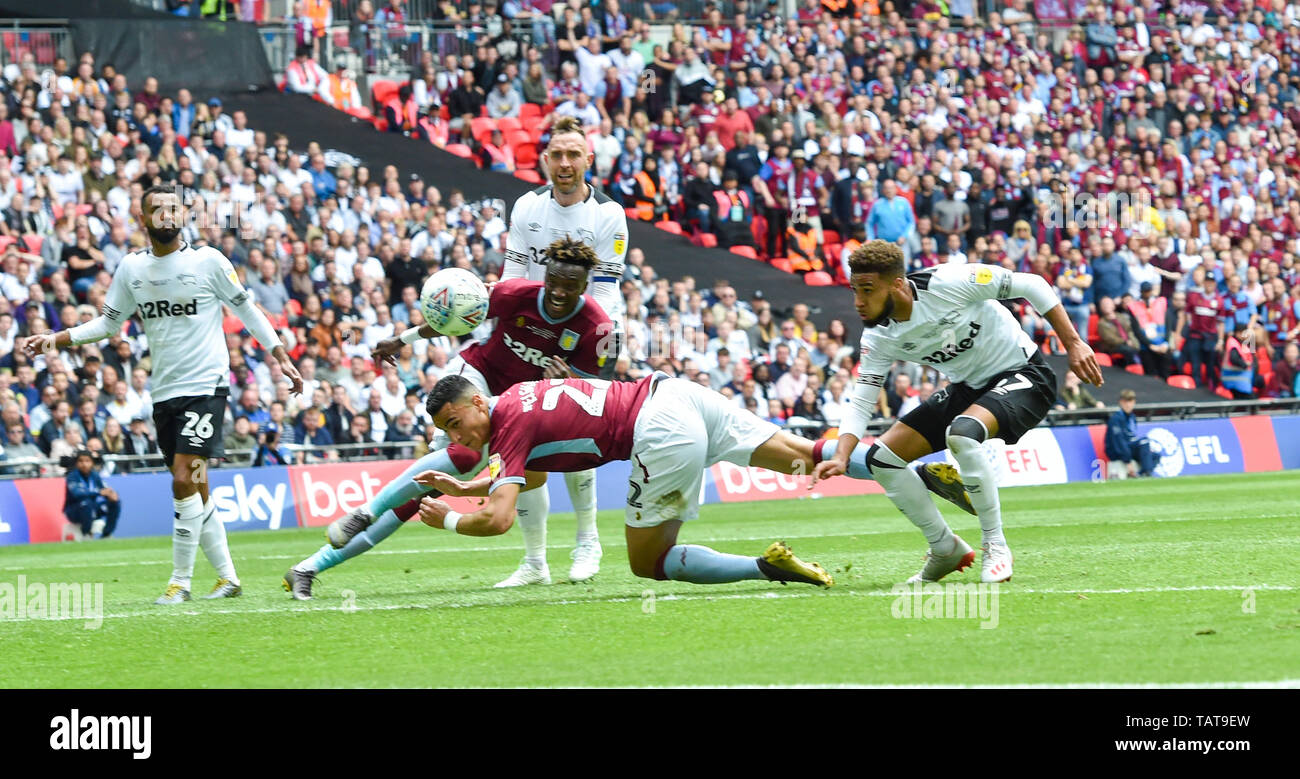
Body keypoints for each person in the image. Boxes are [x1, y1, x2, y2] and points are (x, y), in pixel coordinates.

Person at [412, 370, 969, 588]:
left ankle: (766, 568)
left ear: (477, 403)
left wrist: (451, 520)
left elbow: (501, 519)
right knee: (804, 455)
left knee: (647, 562)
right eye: (446, 432)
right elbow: (530, 476)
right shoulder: (516, 399)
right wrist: (468, 487)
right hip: (676, 393)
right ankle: (917, 471)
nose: (457, 437)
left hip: (657, 432)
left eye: (456, 423)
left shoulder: (507, 425)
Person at [285, 237, 615, 598]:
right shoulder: (515, 293)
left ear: (585, 286)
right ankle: (360, 518)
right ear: (545, 276)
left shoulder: (597, 327)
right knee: (462, 459)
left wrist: (569, 381)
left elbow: (593, 390)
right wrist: (402, 340)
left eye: (570, 286)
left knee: (522, 473)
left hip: (522, 406)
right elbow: (458, 314)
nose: (558, 292)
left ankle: (308, 567)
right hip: (477, 378)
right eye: (553, 281)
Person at [26, 184, 304, 604]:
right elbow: (108, 325)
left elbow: (246, 309)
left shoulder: (208, 261)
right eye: (157, 209)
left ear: (183, 214)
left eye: (173, 208)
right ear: (143, 219)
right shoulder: (132, 269)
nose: (166, 215)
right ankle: (228, 578)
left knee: (182, 479)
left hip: (206, 386)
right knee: (196, 485)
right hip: (165, 392)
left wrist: (279, 354)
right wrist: (56, 338)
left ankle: (180, 582)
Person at [811, 241, 1103, 585]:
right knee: (882, 460)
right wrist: (842, 455)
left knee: (962, 433)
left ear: (897, 284)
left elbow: (1032, 284)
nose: (858, 301)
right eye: (855, 290)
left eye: (867, 289)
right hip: (968, 388)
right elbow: (862, 401)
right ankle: (944, 548)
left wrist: (1074, 343)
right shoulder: (878, 337)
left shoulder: (948, 282)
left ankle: (995, 545)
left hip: (1025, 374)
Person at [495, 114, 629, 585]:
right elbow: (512, 276)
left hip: (580, 339)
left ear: (588, 160)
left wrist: (590, 353)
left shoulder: (609, 215)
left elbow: (606, 292)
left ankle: (588, 541)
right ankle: (535, 563)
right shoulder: (526, 207)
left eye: (575, 155)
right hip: (528, 335)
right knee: (527, 448)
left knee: (575, 438)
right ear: (546, 160)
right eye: (558, 155)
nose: (566, 163)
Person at [63, 449, 120, 539]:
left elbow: (103, 489)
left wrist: (111, 495)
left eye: (87, 461)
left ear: (92, 463)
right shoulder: (72, 476)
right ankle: (86, 534)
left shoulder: (95, 475)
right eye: (81, 461)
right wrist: (98, 492)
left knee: (115, 503)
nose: (84, 464)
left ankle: (106, 534)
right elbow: (78, 494)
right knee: (86, 503)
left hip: (92, 508)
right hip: (74, 510)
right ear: (76, 463)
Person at [1104, 389, 1159, 478]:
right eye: (1125, 402)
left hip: (1129, 447)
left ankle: (1143, 473)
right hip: (1116, 451)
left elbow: (1132, 437)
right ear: (1121, 402)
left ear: (1134, 402)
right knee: (1144, 441)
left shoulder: (1132, 417)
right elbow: (1118, 442)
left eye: (1130, 401)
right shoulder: (1116, 419)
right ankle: (1146, 473)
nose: (1128, 405)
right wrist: (1127, 461)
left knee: (1155, 455)